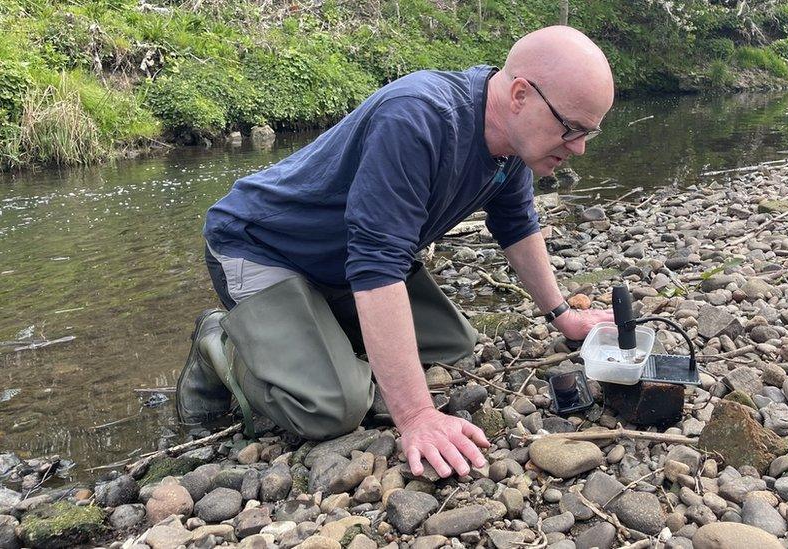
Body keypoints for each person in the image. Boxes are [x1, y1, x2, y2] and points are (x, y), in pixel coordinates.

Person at [176, 25, 615, 479]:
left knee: (453, 343)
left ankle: (314, 329)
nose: (579, 148)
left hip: (342, 266)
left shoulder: (511, 148)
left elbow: (517, 226)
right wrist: (417, 417)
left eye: (590, 133)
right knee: (333, 407)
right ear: (521, 95)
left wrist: (562, 314)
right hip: (263, 246)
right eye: (572, 129)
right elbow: (377, 263)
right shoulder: (419, 117)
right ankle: (221, 341)